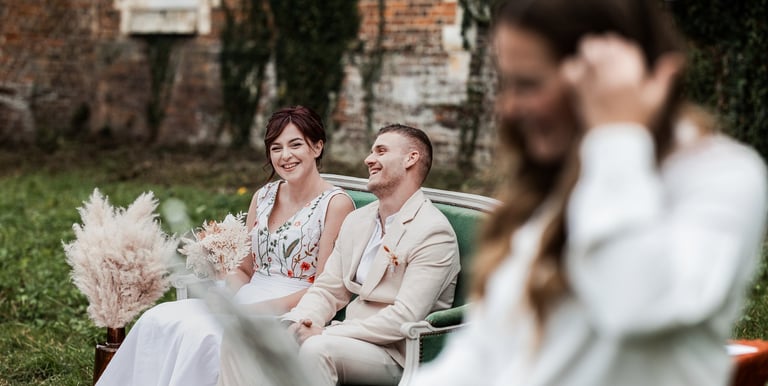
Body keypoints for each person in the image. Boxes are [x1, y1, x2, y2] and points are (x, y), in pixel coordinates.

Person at [414, 0, 768, 385]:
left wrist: (616, 134)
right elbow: (482, 355)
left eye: (528, 84)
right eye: (507, 83)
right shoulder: (552, 187)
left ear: (608, 73)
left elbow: (634, 303)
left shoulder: (720, 176)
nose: (510, 107)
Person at [96, 105, 355, 386]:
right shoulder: (264, 195)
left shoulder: (336, 204)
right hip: (247, 296)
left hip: (294, 307)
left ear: (317, 147)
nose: (285, 156)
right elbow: (245, 267)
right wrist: (227, 291)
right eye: (276, 147)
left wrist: (259, 309)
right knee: (159, 318)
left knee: (205, 334)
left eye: (295, 145)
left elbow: (323, 284)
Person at [218, 124, 461, 386]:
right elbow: (328, 289)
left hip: (395, 352)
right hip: (340, 338)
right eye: (371, 152)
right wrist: (297, 321)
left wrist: (328, 332)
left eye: (380, 151)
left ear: (410, 158)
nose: (369, 159)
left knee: (315, 349)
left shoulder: (433, 232)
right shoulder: (358, 220)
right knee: (240, 337)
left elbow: (404, 317)